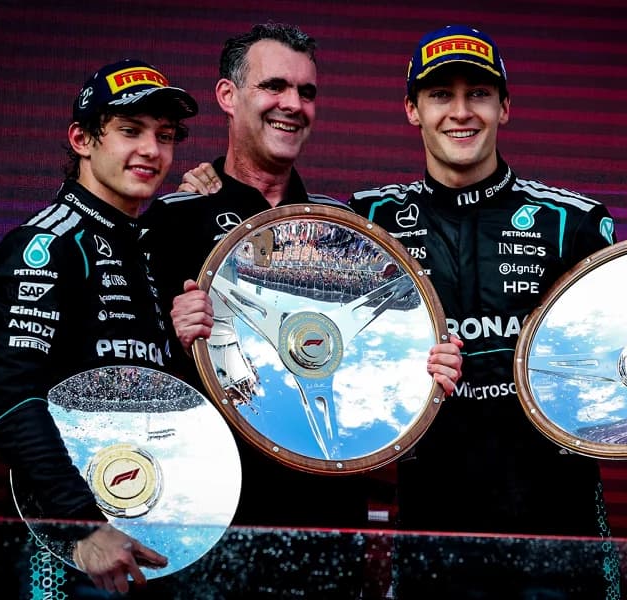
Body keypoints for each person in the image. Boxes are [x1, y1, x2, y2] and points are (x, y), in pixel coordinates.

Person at [182, 24, 627, 599]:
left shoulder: (572, 221)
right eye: (440, 95)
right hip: (431, 516)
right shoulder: (368, 220)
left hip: (556, 519)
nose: (460, 112)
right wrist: (212, 189)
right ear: (411, 110)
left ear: (505, 107)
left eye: (478, 94)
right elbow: (280, 284)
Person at [141, 23, 462, 598]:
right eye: (274, 87)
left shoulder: (347, 229)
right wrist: (171, 337)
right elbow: (126, 377)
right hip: (204, 532)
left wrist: (426, 370)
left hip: (327, 530)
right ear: (227, 96)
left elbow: (383, 370)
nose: (293, 104)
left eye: (307, 92)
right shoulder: (168, 222)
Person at [0, 58, 198, 597]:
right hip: (66, 544)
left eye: (164, 136)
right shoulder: (46, 245)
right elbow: (12, 403)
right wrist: (83, 525)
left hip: (139, 535)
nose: (152, 150)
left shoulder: (146, 247)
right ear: (82, 139)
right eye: (130, 131)